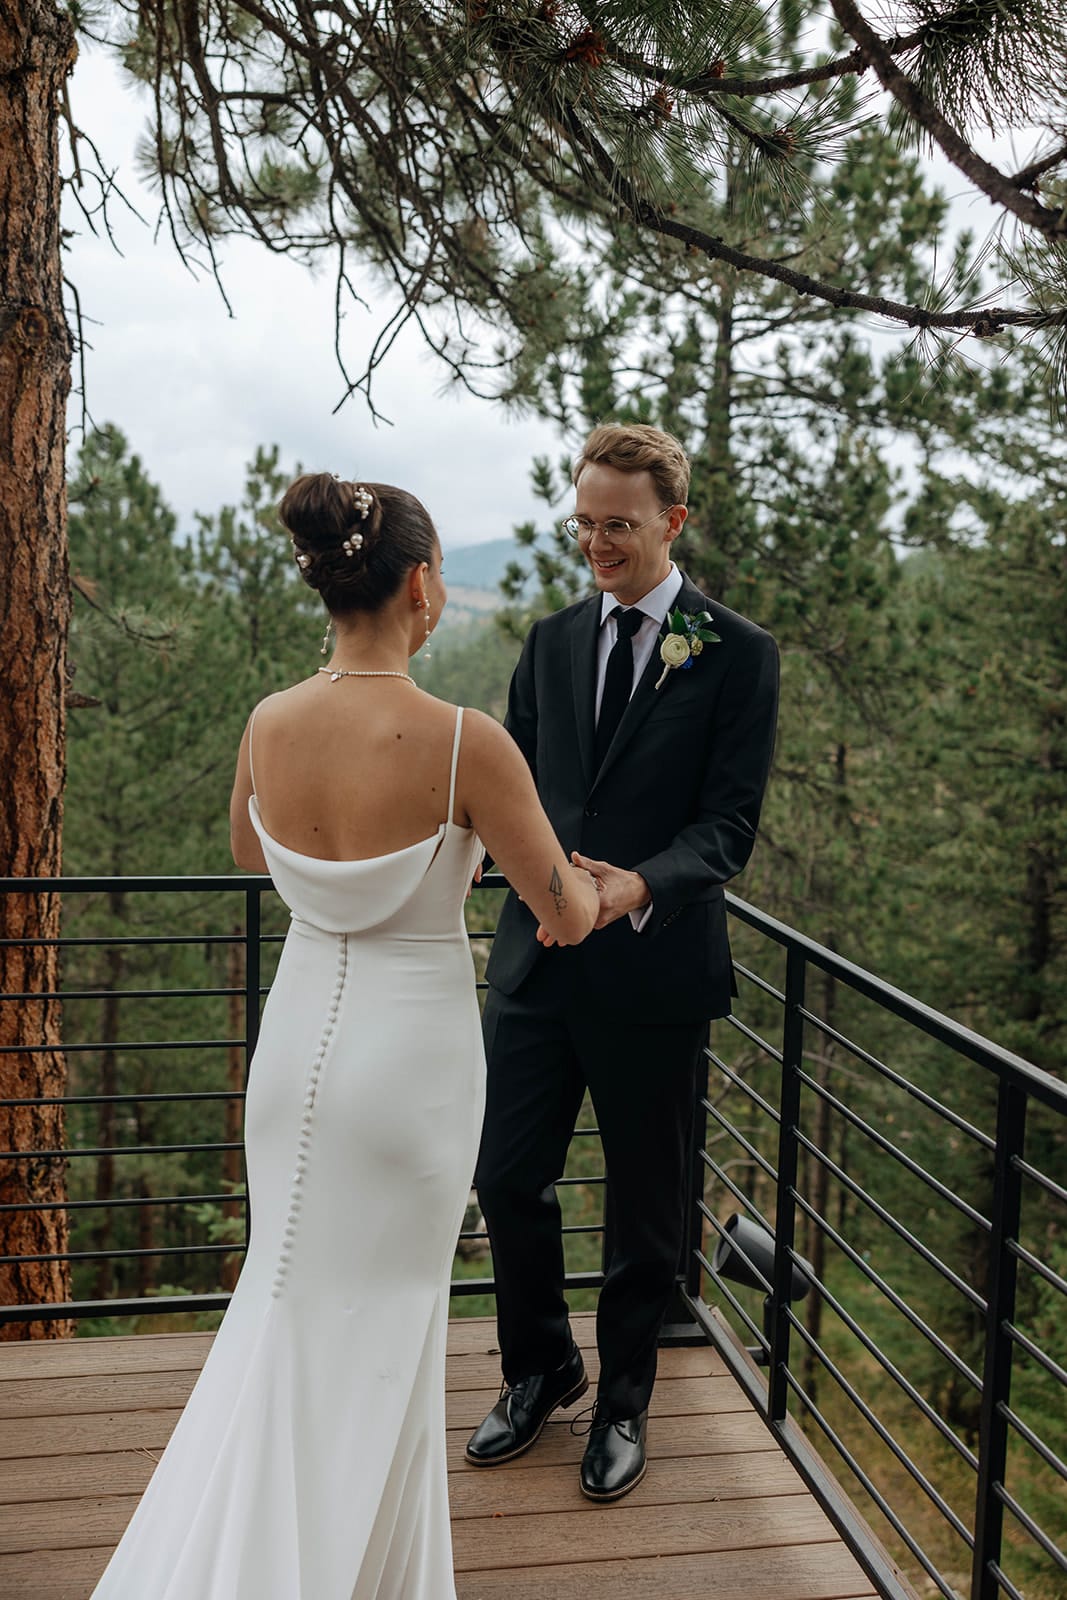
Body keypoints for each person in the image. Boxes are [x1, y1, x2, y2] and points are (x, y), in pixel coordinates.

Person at [90, 473, 598, 1600]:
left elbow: (247, 849)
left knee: (285, 1304)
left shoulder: (269, 720)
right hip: (410, 1063)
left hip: (295, 1039)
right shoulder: (468, 744)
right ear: (421, 585)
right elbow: (557, 910)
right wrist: (607, 888)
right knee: (387, 1328)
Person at [466, 423, 779, 1502]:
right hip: (535, 966)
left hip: (652, 977)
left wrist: (629, 887)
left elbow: (725, 829)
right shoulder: (549, 643)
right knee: (507, 1176)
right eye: (585, 522)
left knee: (646, 1209)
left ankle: (624, 1403)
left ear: (671, 522)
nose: (596, 542)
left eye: (619, 525)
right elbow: (513, 796)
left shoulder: (735, 652)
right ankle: (539, 1366)